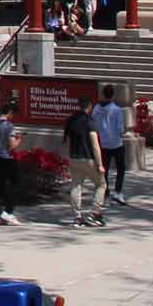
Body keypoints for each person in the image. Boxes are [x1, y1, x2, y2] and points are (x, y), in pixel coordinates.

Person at [64, 95, 107, 226]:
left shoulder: (71, 120)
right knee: (101, 184)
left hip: (74, 157)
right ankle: (95, 214)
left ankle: (77, 217)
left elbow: (67, 140)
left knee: (76, 186)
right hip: (88, 158)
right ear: (89, 107)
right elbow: (95, 144)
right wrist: (100, 164)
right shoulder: (89, 121)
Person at [94, 84, 130, 205]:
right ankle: (118, 192)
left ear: (103, 94)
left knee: (104, 169)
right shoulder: (116, 110)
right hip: (116, 143)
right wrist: (123, 131)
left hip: (103, 143)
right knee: (121, 168)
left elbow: (94, 124)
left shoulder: (96, 109)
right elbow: (120, 129)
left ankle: (105, 192)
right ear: (113, 95)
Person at [0, 94, 21, 225]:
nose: (13, 117)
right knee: (14, 184)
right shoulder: (8, 125)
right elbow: (11, 145)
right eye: (13, 114)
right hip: (6, 158)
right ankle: (8, 212)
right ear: (10, 112)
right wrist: (18, 139)